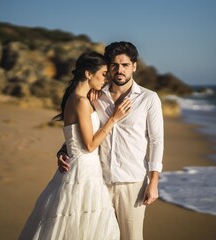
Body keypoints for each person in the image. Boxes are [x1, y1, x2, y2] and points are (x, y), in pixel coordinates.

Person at [19, 51, 132, 240]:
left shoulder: (77, 98)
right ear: (88, 74)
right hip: (84, 171)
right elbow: (89, 145)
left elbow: (75, 137)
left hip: (79, 167)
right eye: (103, 74)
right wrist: (113, 119)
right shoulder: (80, 102)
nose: (106, 79)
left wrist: (62, 150)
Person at [57, 41, 164, 240]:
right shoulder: (95, 94)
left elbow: (157, 141)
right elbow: (82, 131)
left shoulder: (149, 99)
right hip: (98, 180)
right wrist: (63, 151)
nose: (119, 70)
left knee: (131, 237)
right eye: (114, 65)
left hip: (131, 181)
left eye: (125, 65)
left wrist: (154, 181)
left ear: (134, 66)